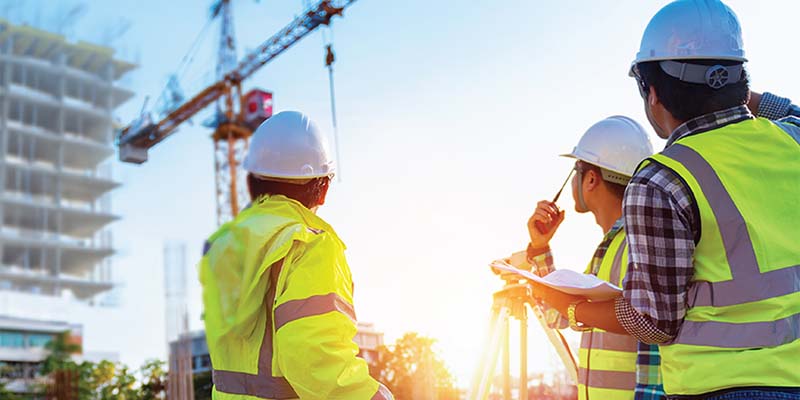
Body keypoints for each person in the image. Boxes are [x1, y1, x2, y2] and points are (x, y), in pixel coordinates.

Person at [532, 1, 800, 399]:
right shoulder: (791, 140)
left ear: (653, 94)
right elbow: (790, 112)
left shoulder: (662, 180)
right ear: (738, 78)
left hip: (719, 389)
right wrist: (727, 87)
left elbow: (653, 322)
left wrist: (570, 308)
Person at [199, 111, 393, 400]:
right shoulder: (309, 244)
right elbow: (316, 358)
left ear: (254, 181)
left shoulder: (226, 246)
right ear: (323, 188)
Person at [525, 116, 662, 400]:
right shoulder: (610, 249)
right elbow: (560, 314)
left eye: (576, 170)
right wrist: (540, 249)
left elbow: (648, 330)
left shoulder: (634, 245)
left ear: (590, 179)